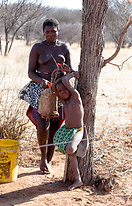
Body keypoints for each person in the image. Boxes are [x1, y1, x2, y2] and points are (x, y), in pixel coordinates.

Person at [28, 18, 73, 174]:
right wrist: (42, 81)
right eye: (47, 32)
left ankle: (49, 159)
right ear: (43, 32)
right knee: (42, 124)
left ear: (58, 31)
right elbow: (30, 72)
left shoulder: (64, 48)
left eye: (53, 31)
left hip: (59, 88)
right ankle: (42, 159)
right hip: (41, 89)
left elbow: (71, 71)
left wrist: (67, 71)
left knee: (55, 124)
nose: (50, 34)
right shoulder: (37, 47)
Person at [52, 71, 84, 190]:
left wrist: (72, 74)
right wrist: (62, 78)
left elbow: (64, 82)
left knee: (70, 149)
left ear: (69, 88)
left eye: (65, 89)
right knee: (71, 154)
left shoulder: (76, 97)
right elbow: (54, 87)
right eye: (60, 91)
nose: (62, 92)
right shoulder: (64, 102)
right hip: (67, 131)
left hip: (78, 130)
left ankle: (78, 179)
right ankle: (78, 180)